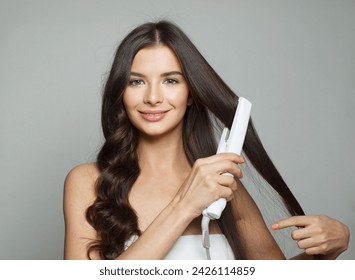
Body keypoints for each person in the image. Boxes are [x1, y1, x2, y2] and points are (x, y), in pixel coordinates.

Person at [63, 20, 349, 260]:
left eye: (171, 81)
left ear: (191, 93)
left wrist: (328, 252)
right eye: (136, 81)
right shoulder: (87, 182)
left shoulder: (222, 184)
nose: (152, 97)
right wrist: (185, 204)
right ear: (120, 92)